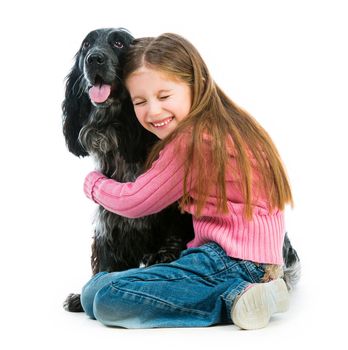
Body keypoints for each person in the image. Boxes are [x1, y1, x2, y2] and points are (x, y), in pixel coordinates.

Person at [81, 33, 293, 330]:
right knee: (92, 293)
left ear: (197, 84)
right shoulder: (228, 123)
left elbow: (135, 201)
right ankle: (254, 288)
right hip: (250, 258)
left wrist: (93, 183)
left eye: (164, 96)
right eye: (139, 101)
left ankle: (240, 297)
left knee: (107, 300)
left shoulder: (191, 143)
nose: (153, 111)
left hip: (229, 262)